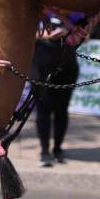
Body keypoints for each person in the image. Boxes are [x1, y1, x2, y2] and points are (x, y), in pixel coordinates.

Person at [30, 10, 81, 167]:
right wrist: (45, 36)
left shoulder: (75, 15)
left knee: (61, 110)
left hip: (66, 68)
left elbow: (85, 36)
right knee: (43, 111)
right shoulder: (38, 10)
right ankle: (45, 151)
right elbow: (20, 34)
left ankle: (58, 148)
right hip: (41, 68)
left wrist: (68, 34)